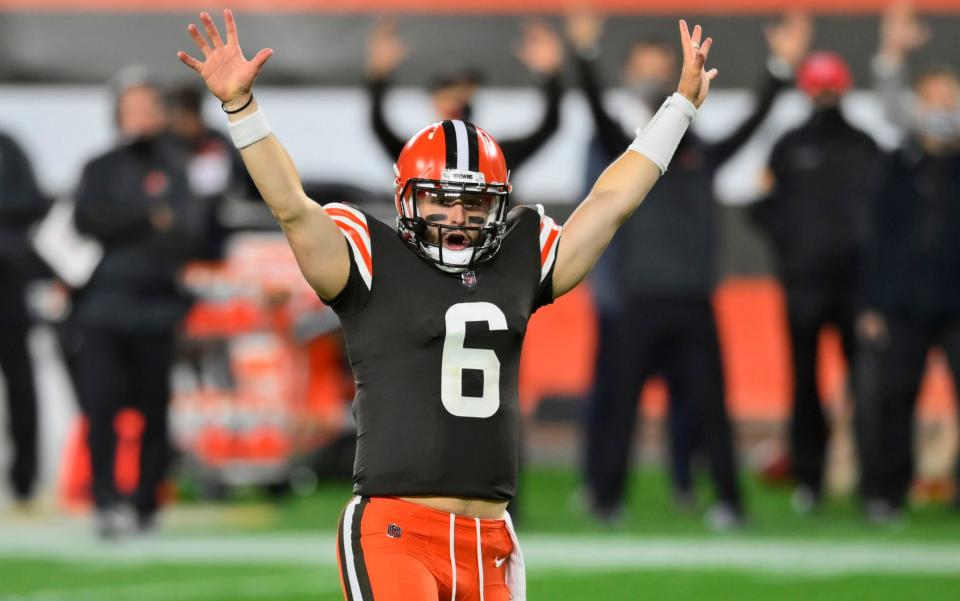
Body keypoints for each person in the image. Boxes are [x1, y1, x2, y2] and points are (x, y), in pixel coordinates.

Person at [178, 9, 716, 599]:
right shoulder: (365, 256)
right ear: (408, 198)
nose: (458, 217)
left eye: (474, 203)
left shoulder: (518, 257)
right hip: (395, 529)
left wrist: (679, 109)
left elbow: (610, 202)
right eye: (440, 200)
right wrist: (241, 110)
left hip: (491, 538)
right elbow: (291, 206)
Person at [566, 10, 810, 527]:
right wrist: (585, 55)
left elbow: (752, 123)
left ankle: (728, 502)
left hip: (694, 303)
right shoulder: (627, 153)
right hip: (639, 301)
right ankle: (607, 499)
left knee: (711, 409)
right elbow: (595, 111)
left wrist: (780, 69)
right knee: (620, 407)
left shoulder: (704, 152)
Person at [750, 52, 882, 513]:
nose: (825, 92)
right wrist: (794, 251)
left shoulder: (866, 145)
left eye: (831, 84)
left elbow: (887, 215)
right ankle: (810, 481)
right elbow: (761, 206)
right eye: (819, 84)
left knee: (869, 388)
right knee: (803, 386)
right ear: (808, 89)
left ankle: (875, 488)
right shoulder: (788, 146)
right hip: (805, 286)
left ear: (842, 87)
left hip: (857, 290)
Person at [73, 74, 204, 537]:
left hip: (157, 307)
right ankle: (105, 500)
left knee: (155, 409)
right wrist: (147, 217)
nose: (143, 115)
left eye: (149, 106)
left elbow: (188, 229)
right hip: (104, 308)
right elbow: (87, 219)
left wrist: (137, 222)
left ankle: (146, 502)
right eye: (134, 107)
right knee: (101, 407)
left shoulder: (175, 164)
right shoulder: (99, 166)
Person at [856, 2, 960, 522]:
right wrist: (892, 53)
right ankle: (885, 496)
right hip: (903, 303)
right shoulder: (897, 162)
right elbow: (878, 236)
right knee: (893, 401)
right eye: (932, 99)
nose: (941, 108)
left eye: (950, 99)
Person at [365, 18, 563, 171]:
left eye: (464, 94)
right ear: (434, 100)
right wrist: (379, 77)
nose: (457, 101)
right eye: (449, 94)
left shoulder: (493, 155)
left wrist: (549, 75)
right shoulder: (417, 155)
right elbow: (379, 126)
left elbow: (549, 125)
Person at [0, 129, 48, 505]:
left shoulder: (9, 147)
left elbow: (33, 200)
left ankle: (25, 478)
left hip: (9, 279)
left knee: (20, 381)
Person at [166, 85, 258, 260]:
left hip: (214, 236)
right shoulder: (164, 146)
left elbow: (246, 179)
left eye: (187, 116)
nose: (182, 124)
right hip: (172, 240)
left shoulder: (217, 143)